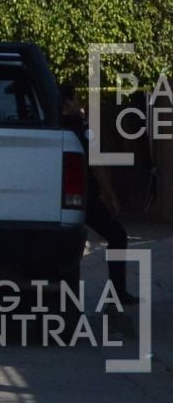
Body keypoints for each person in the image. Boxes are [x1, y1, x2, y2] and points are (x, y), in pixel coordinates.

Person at [59, 83, 138, 304]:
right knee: (117, 235)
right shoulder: (80, 128)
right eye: (76, 99)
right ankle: (118, 292)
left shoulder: (55, 127)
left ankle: (69, 300)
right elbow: (96, 165)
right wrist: (110, 194)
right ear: (67, 103)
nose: (80, 104)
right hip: (85, 198)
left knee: (67, 246)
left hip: (60, 200)